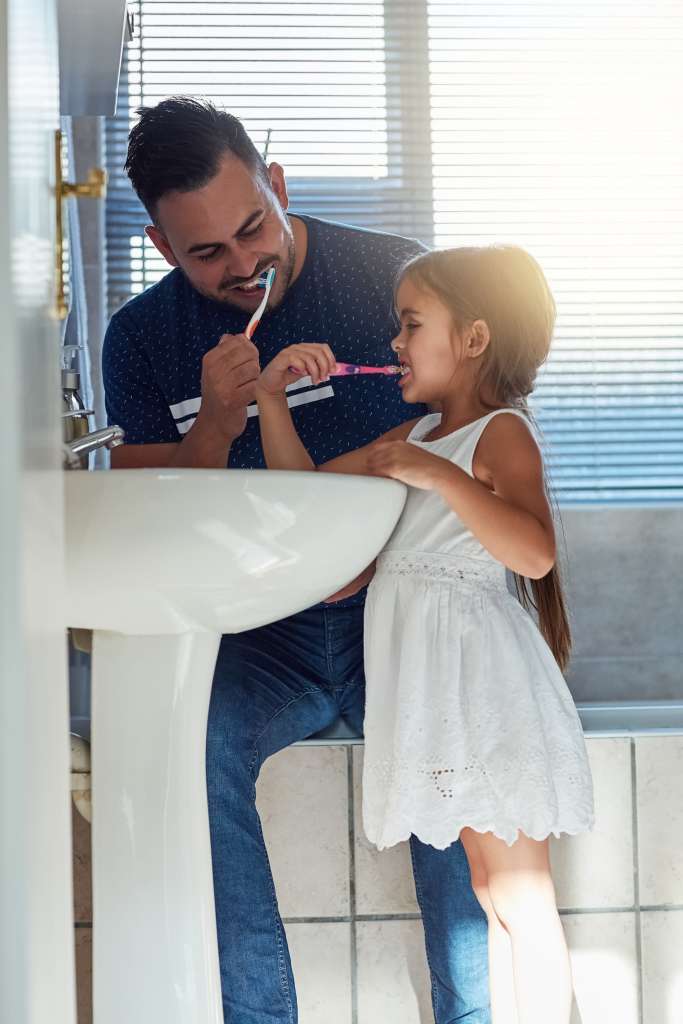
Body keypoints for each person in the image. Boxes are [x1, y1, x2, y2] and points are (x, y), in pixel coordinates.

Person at [102, 97, 491, 1023]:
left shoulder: (395, 280)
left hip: (396, 614)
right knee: (186, 753)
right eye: (207, 255)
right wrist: (219, 426)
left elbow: (479, 431)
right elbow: (143, 508)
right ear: (161, 247)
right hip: (261, 637)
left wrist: (354, 518)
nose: (243, 267)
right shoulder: (143, 340)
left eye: (252, 230)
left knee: (445, 764)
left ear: (276, 187)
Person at [255, 245, 595, 1024]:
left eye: (411, 325)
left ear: (472, 339)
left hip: (486, 693)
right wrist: (272, 400)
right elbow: (303, 502)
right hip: (439, 696)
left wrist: (434, 473)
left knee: (518, 897)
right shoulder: (412, 439)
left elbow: (533, 552)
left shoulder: (497, 435)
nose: (396, 343)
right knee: (489, 891)